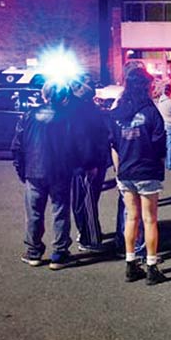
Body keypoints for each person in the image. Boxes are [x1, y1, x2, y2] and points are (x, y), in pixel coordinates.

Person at [109, 67, 167, 285]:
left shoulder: (115, 114)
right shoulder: (151, 112)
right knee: (150, 219)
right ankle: (152, 267)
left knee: (131, 218)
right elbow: (160, 145)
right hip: (147, 170)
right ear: (145, 86)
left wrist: (118, 172)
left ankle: (130, 264)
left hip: (125, 171)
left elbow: (113, 145)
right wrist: (159, 167)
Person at [12, 80, 77, 270]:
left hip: (34, 171)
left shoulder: (29, 115)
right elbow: (74, 147)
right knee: (60, 212)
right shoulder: (68, 117)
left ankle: (34, 252)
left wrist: (21, 170)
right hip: (60, 171)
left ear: (44, 95)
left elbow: (17, 146)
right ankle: (59, 253)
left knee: (34, 213)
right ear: (64, 97)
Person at [69, 77, 109, 253]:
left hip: (80, 163)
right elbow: (89, 139)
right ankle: (90, 238)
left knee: (81, 201)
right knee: (88, 202)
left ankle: (85, 233)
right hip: (89, 163)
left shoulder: (74, 110)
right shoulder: (89, 111)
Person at [157, 84, 171, 170]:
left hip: (164, 123)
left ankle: (167, 161)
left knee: (167, 143)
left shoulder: (160, 101)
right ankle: (170, 163)